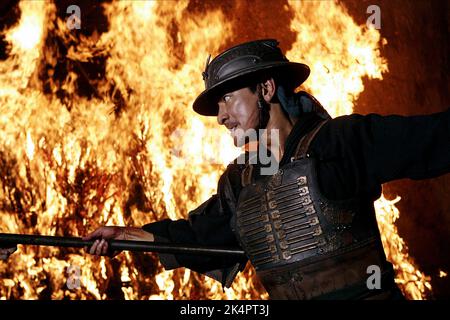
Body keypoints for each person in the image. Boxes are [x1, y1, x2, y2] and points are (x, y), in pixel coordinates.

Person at [84, 39, 450, 299]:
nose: (222, 116)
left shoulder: (340, 142)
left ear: (266, 88)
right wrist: (126, 236)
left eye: (228, 98)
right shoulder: (239, 181)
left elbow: (435, 139)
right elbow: (199, 237)